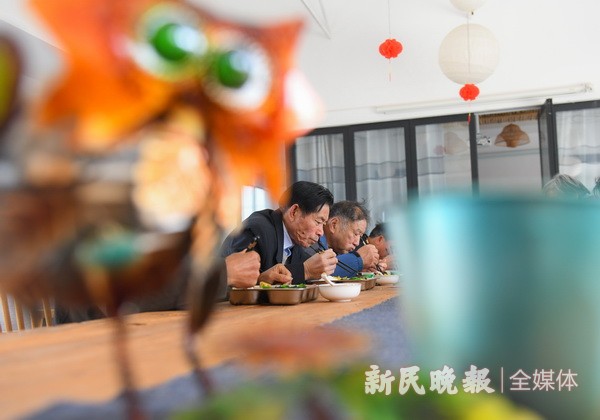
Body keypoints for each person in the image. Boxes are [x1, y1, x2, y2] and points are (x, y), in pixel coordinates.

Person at [221, 181, 337, 284]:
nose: (321, 232)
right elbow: (238, 283)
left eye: (323, 224)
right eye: (318, 222)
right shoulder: (257, 230)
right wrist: (305, 271)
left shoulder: (297, 241)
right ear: (294, 212)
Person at [314, 200, 381, 277]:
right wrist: (359, 260)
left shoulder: (337, 248)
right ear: (334, 225)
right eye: (356, 234)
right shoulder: (312, 240)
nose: (357, 243)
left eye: (360, 236)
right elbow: (319, 273)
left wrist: (360, 268)